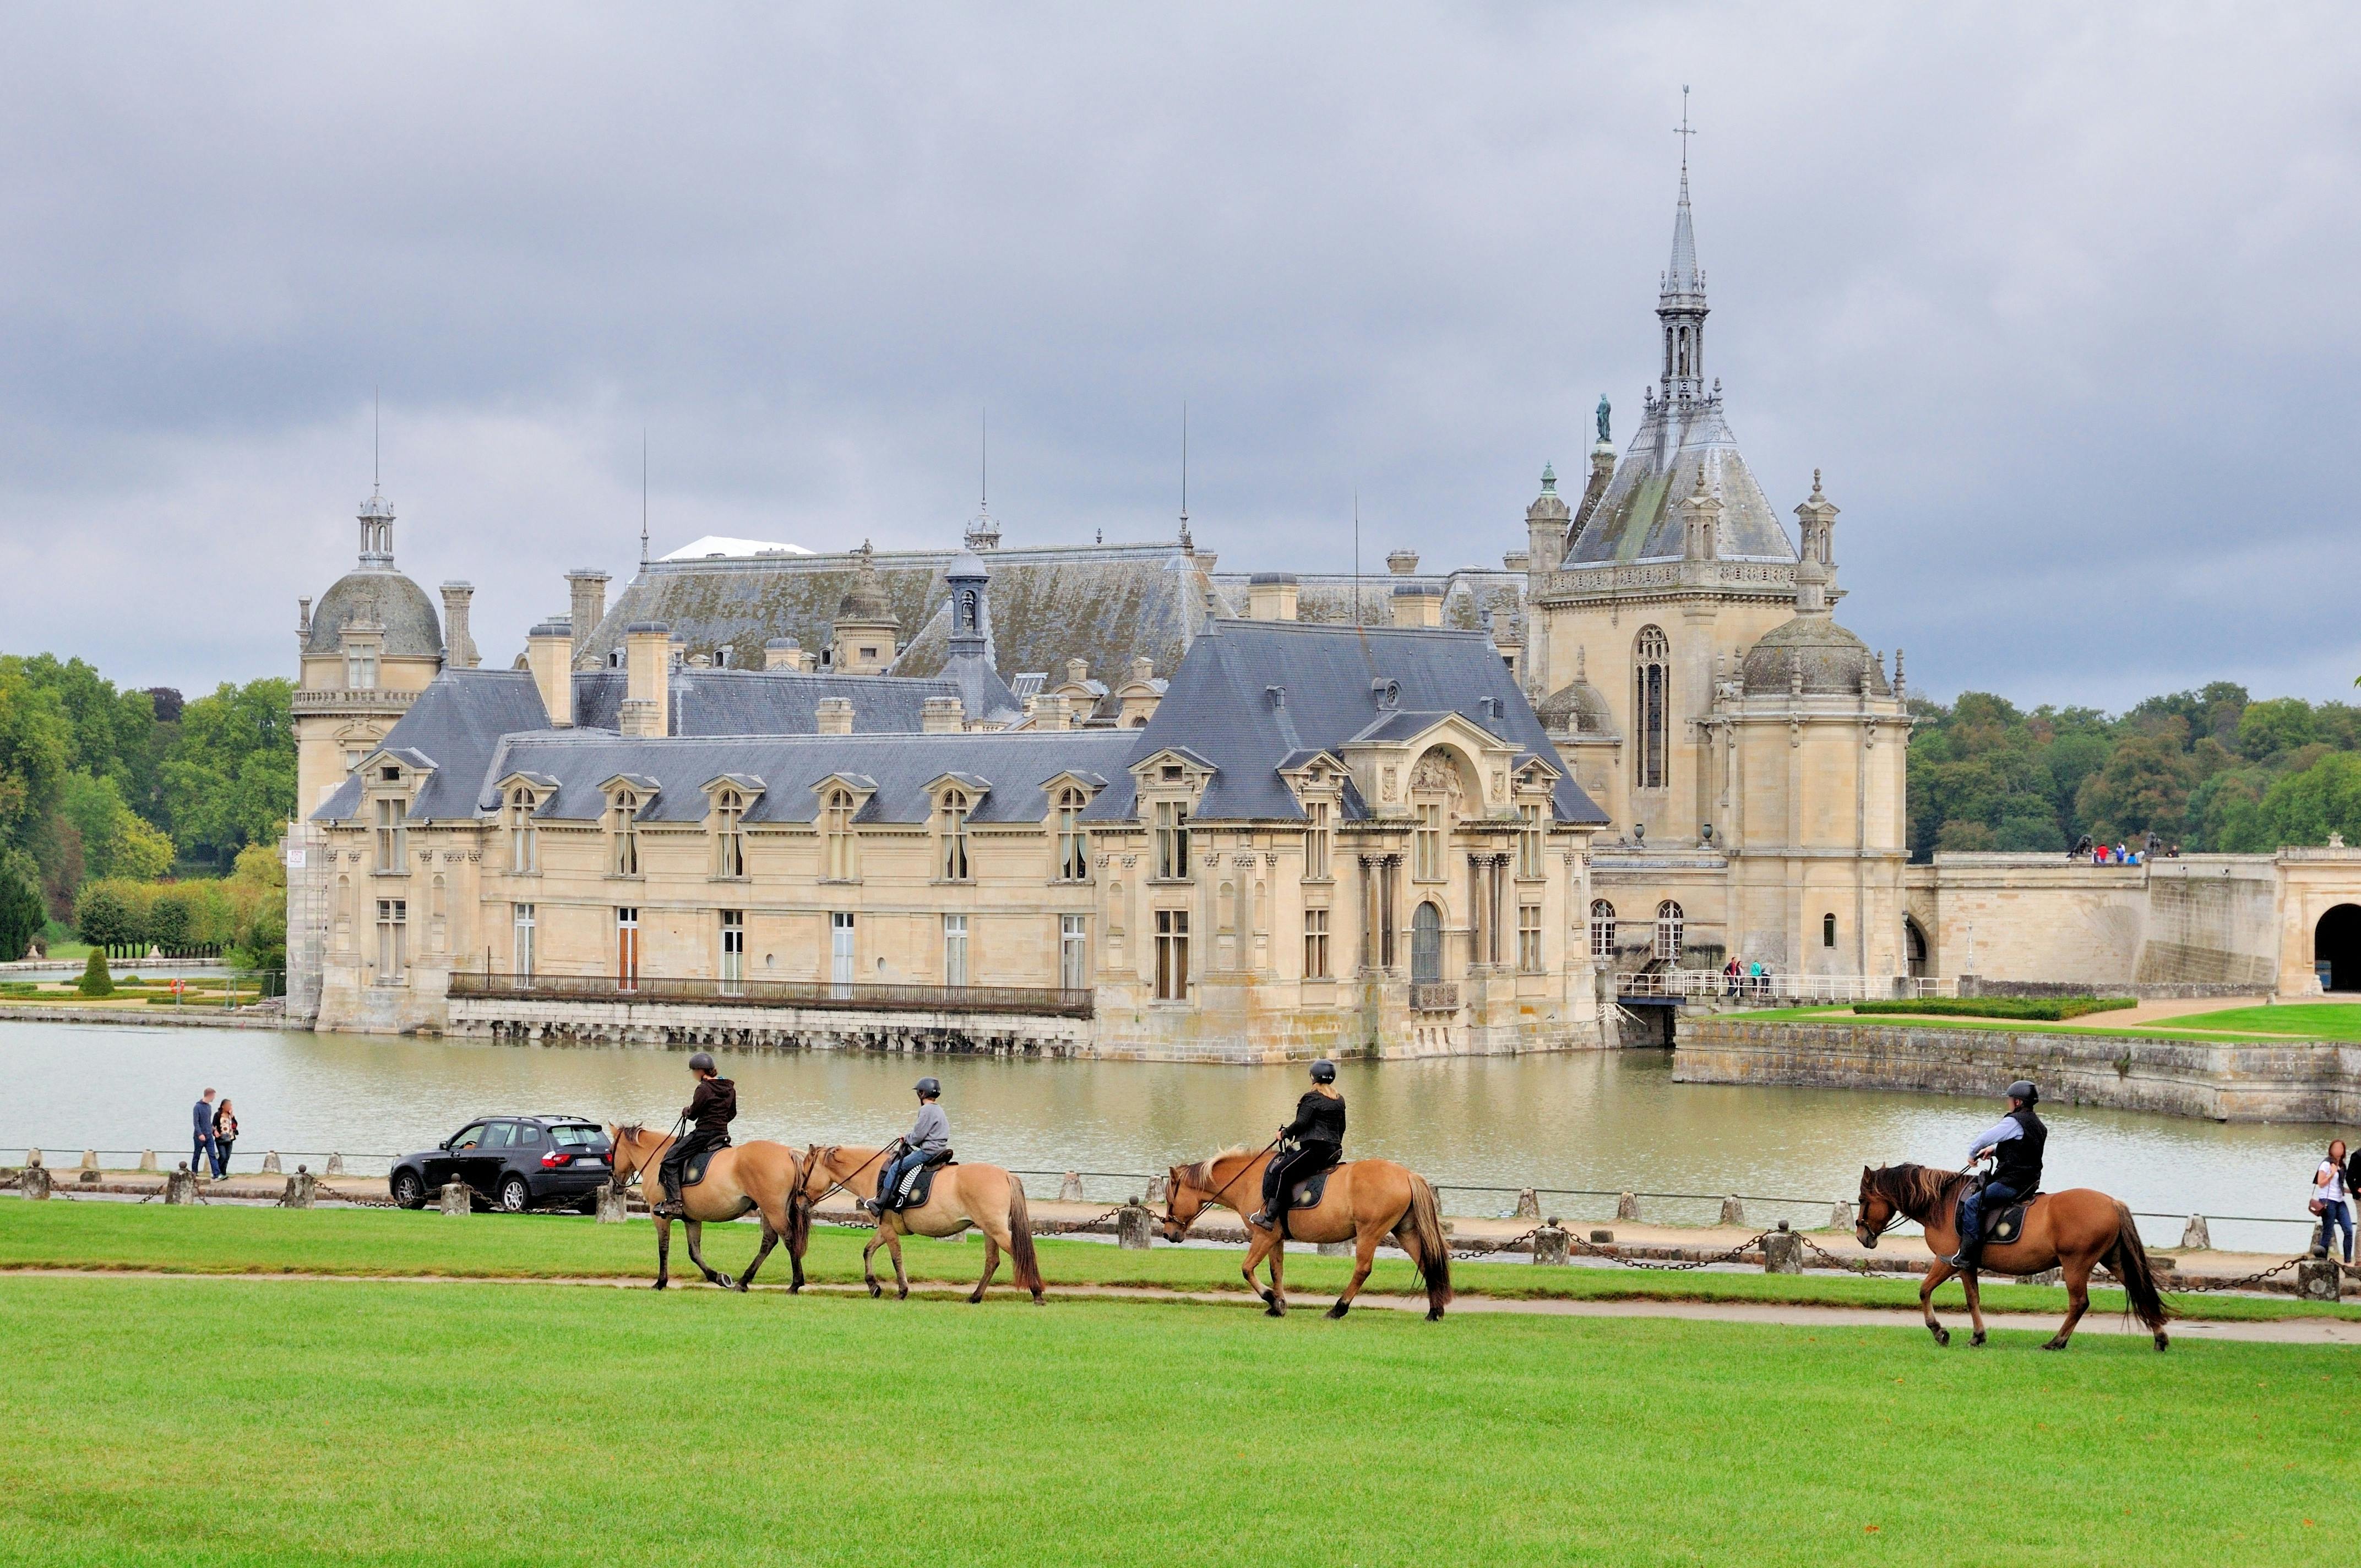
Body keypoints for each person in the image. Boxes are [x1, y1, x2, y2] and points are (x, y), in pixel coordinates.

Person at [1948, 1079, 2046, 1270]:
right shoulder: (2038, 1125)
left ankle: (1968, 1255)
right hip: (2030, 1181)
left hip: (2012, 1182)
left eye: (2010, 1099)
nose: (2008, 1103)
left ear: (2018, 1102)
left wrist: (1972, 1153)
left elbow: (1985, 1138)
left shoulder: (2014, 1121)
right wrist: (1995, 1152)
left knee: (1972, 1204)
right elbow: (2024, 1150)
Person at [1249, 1060, 1346, 1234]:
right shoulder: (1339, 1100)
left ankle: (1269, 1218)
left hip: (1315, 1151)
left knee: (1280, 1171)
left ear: (1313, 1077)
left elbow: (1301, 1123)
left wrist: (1284, 1134)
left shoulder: (1312, 1098)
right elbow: (1342, 1128)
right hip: (1334, 1150)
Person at [651, 1052, 735, 1218]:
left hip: (705, 1134)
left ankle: (675, 1203)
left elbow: (694, 1114)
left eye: (694, 1072)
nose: (694, 1076)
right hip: (722, 1134)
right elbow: (732, 1114)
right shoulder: (729, 1088)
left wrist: (687, 1111)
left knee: (669, 1159)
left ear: (700, 1071)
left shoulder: (704, 1088)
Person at [864, 1077, 949, 1215]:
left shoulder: (926, 1110)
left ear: (921, 1093)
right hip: (940, 1149)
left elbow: (918, 1136)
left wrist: (907, 1139)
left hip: (928, 1151)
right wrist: (909, 1138)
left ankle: (881, 1203)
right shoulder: (938, 1109)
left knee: (895, 1168)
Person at [2313, 1139, 2353, 1264]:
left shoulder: (2343, 1166)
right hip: (2328, 1200)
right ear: (2331, 1150)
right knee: (2328, 1231)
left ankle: (2347, 1261)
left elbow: (2340, 1187)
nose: (2338, 1151)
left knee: (2349, 1230)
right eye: (2336, 1148)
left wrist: (2352, 1190)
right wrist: (2332, 1174)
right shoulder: (2326, 1164)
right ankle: (2322, 1261)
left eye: (2341, 1148)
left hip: (2340, 1201)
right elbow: (2321, 1183)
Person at [191, 1088, 218, 1175]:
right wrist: (200, 1134)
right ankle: (194, 1172)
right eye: (213, 1096)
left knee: (212, 1155)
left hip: (209, 1136)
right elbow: (196, 1122)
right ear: (209, 1095)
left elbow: (208, 1122)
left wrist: (214, 1130)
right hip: (199, 1137)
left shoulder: (209, 1107)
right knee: (197, 1155)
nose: (214, 1098)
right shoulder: (197, 1107)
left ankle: (217, 1174)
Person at [211, 1098, 240, 1178]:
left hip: (230, 1138)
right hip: (221, 1139)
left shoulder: (231, 1116)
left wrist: (232, 1116)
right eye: (229, 1105)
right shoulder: (218, 1115)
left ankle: (223, 1173)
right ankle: (216, 1172)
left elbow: (235, 1125)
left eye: (231, 1105)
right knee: (223, 1156)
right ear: (223, 1106)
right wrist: (215, 1132)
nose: (230, 1107)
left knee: (227, 1157)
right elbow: (213, 1126)